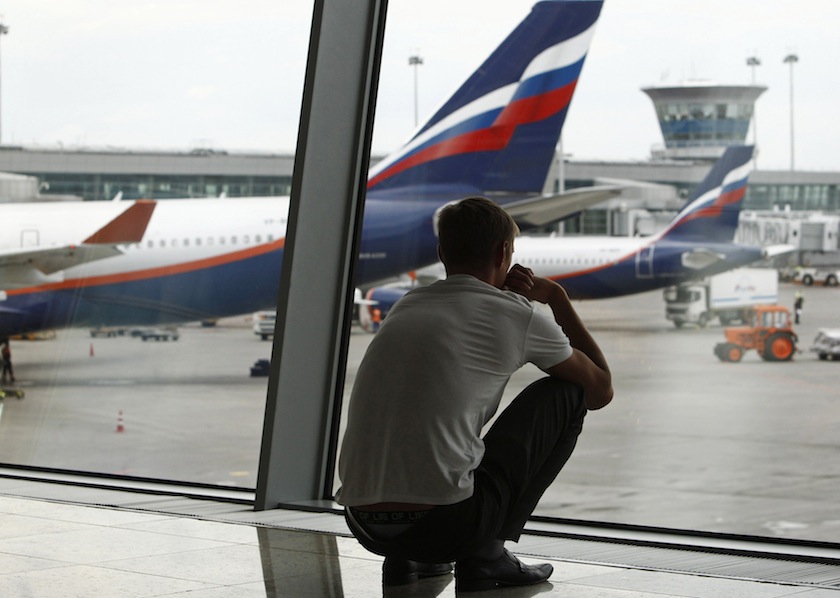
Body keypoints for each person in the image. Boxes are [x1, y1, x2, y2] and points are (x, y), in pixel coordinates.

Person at [336, 197, 613, 592]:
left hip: (365, 526)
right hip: (447, 526)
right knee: (566, 392)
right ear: (504, 252)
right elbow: (600, 389)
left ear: (441, 252)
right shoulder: (516, 312)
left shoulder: (406, 305)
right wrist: (556, 299)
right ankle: (487, 558)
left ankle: (410, 564)